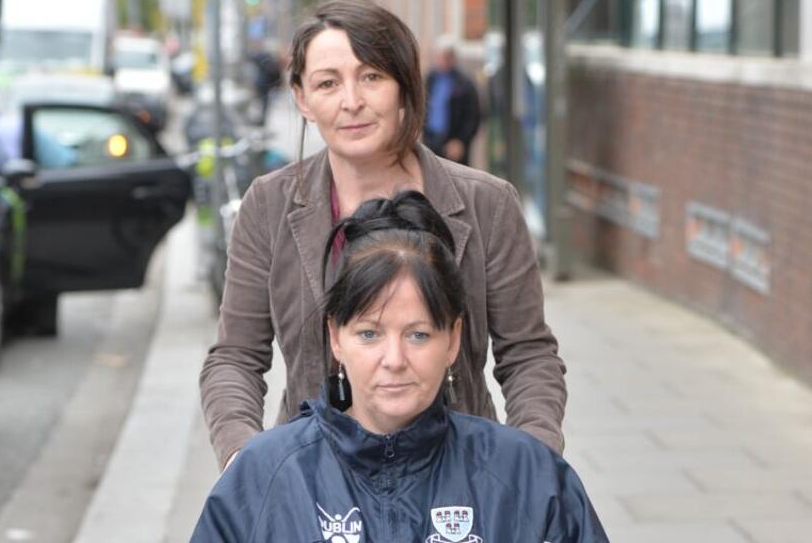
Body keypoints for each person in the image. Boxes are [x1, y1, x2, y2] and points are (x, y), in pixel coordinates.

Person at [199, 0, 567, 471]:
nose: (352, 101)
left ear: (404, 87)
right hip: (312, 480)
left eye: (371, 76)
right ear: (302, 99)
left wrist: (532, 462)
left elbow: (529, 355)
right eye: (328, 83)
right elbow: (234, 358)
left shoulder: (487, 204)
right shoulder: (269, 204)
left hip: (462, 479)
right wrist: (243, 462)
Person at [192, 191, 607, 543]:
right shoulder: (263, 476)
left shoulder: (528, 477)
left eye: (418, 335)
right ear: (336, 337)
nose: (394, 360)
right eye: (369, 334)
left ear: (453, 339)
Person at [423, 36, 481, 166]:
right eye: (439, 56)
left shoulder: (464, 83)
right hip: (432, 140)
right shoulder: (430, 79)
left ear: (453, 58)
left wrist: (461, 141)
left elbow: (473, 116)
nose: (442, 60)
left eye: (447, 57)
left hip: (453, 142)